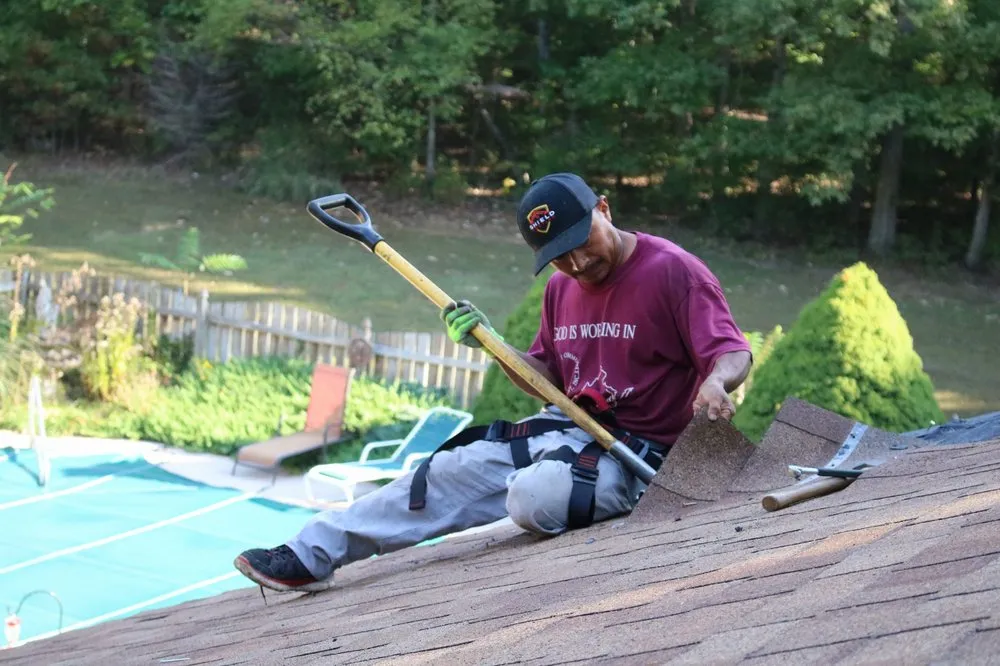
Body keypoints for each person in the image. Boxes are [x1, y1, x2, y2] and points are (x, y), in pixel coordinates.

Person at [234, 172, 753, 593]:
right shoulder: (561, 290)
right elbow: (547, 379)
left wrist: (716, 383)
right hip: (570, 428)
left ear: (604, 208)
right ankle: (310, 553)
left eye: (581, 242)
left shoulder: (673, 271)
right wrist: (496, 346)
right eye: (559, 256)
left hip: (646, 456)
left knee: (533, 496)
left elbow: (733, 351)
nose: (577, 263)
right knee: (443, 473)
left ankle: (622, 495)